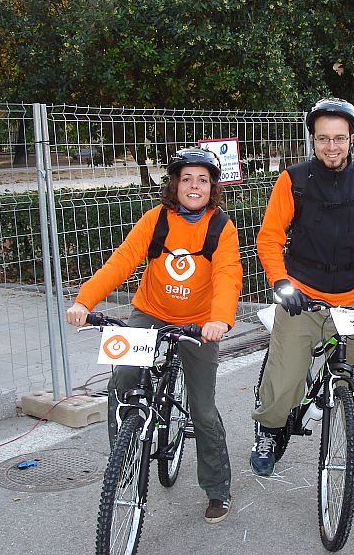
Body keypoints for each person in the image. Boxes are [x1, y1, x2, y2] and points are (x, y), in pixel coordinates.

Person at [66, 147, 242, 523]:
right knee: (123, 381)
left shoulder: (220, 227)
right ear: (174, 184)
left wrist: (220, 320)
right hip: (149, 313)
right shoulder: (156, 220)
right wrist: (84, 301)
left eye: (203, 180)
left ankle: (216, 489)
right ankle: (125, 458)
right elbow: (122, 261)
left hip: (199, 323)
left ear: (213, 187)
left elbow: (228, 276)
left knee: (203, 410)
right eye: (187, 179)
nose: (194, 186)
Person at [250, 97, 354, 496]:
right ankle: (268, 431)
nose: (331, 147)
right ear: (312, 141)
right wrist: (283, 285)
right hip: (302, 298)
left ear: (352, 139)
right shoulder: (293, 180)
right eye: (323, 139)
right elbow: (269, 238)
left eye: (339, 139)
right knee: (284, 380)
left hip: (352, 302)